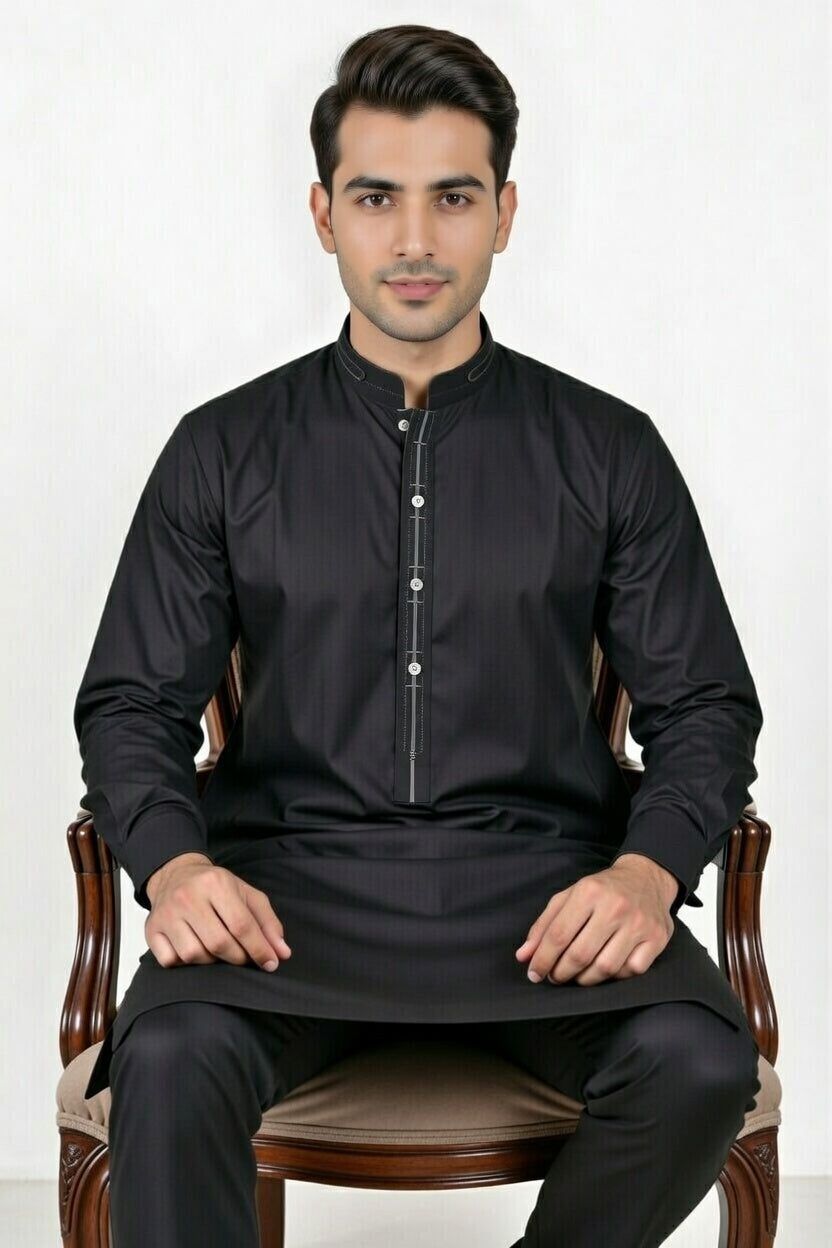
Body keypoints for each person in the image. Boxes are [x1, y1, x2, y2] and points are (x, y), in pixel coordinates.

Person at [73, 23, 763, 1248]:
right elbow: (132, 703)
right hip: (283, 912)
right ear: (322, 212)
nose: (412, 241)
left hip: (544, 911)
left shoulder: (609, 451)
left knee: (698, 1058)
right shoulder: (220, 450)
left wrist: (645, 873)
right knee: (172, 1050)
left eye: (450, 198)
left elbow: (704, 706)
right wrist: (175, 868)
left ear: (502, 212)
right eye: (375, 197)